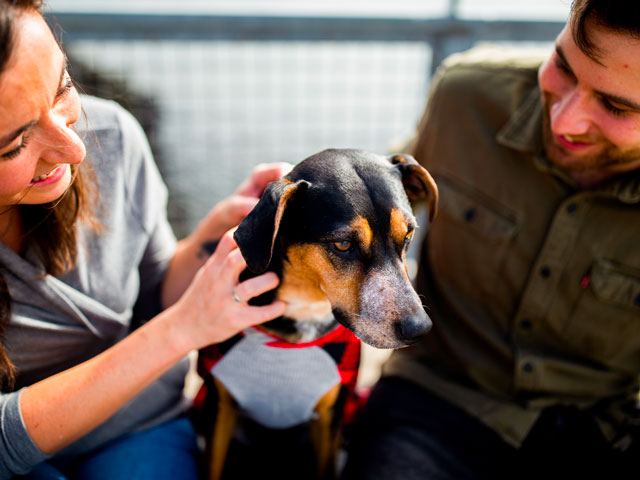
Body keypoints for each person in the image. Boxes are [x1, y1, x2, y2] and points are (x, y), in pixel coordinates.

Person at [342, 1, 640, 478]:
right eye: (562, 67)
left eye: (616, 106)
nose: (564, 120)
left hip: (602, 427)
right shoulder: (464, 96)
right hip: (435, 399)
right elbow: (384, 205)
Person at [0, 1, 289, 478]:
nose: (74, 149)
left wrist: (211, 236)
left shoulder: (112, 134)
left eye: (63, 88)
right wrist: (181, 330)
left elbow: (154, 292)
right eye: (14, 143)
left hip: (138, 425)